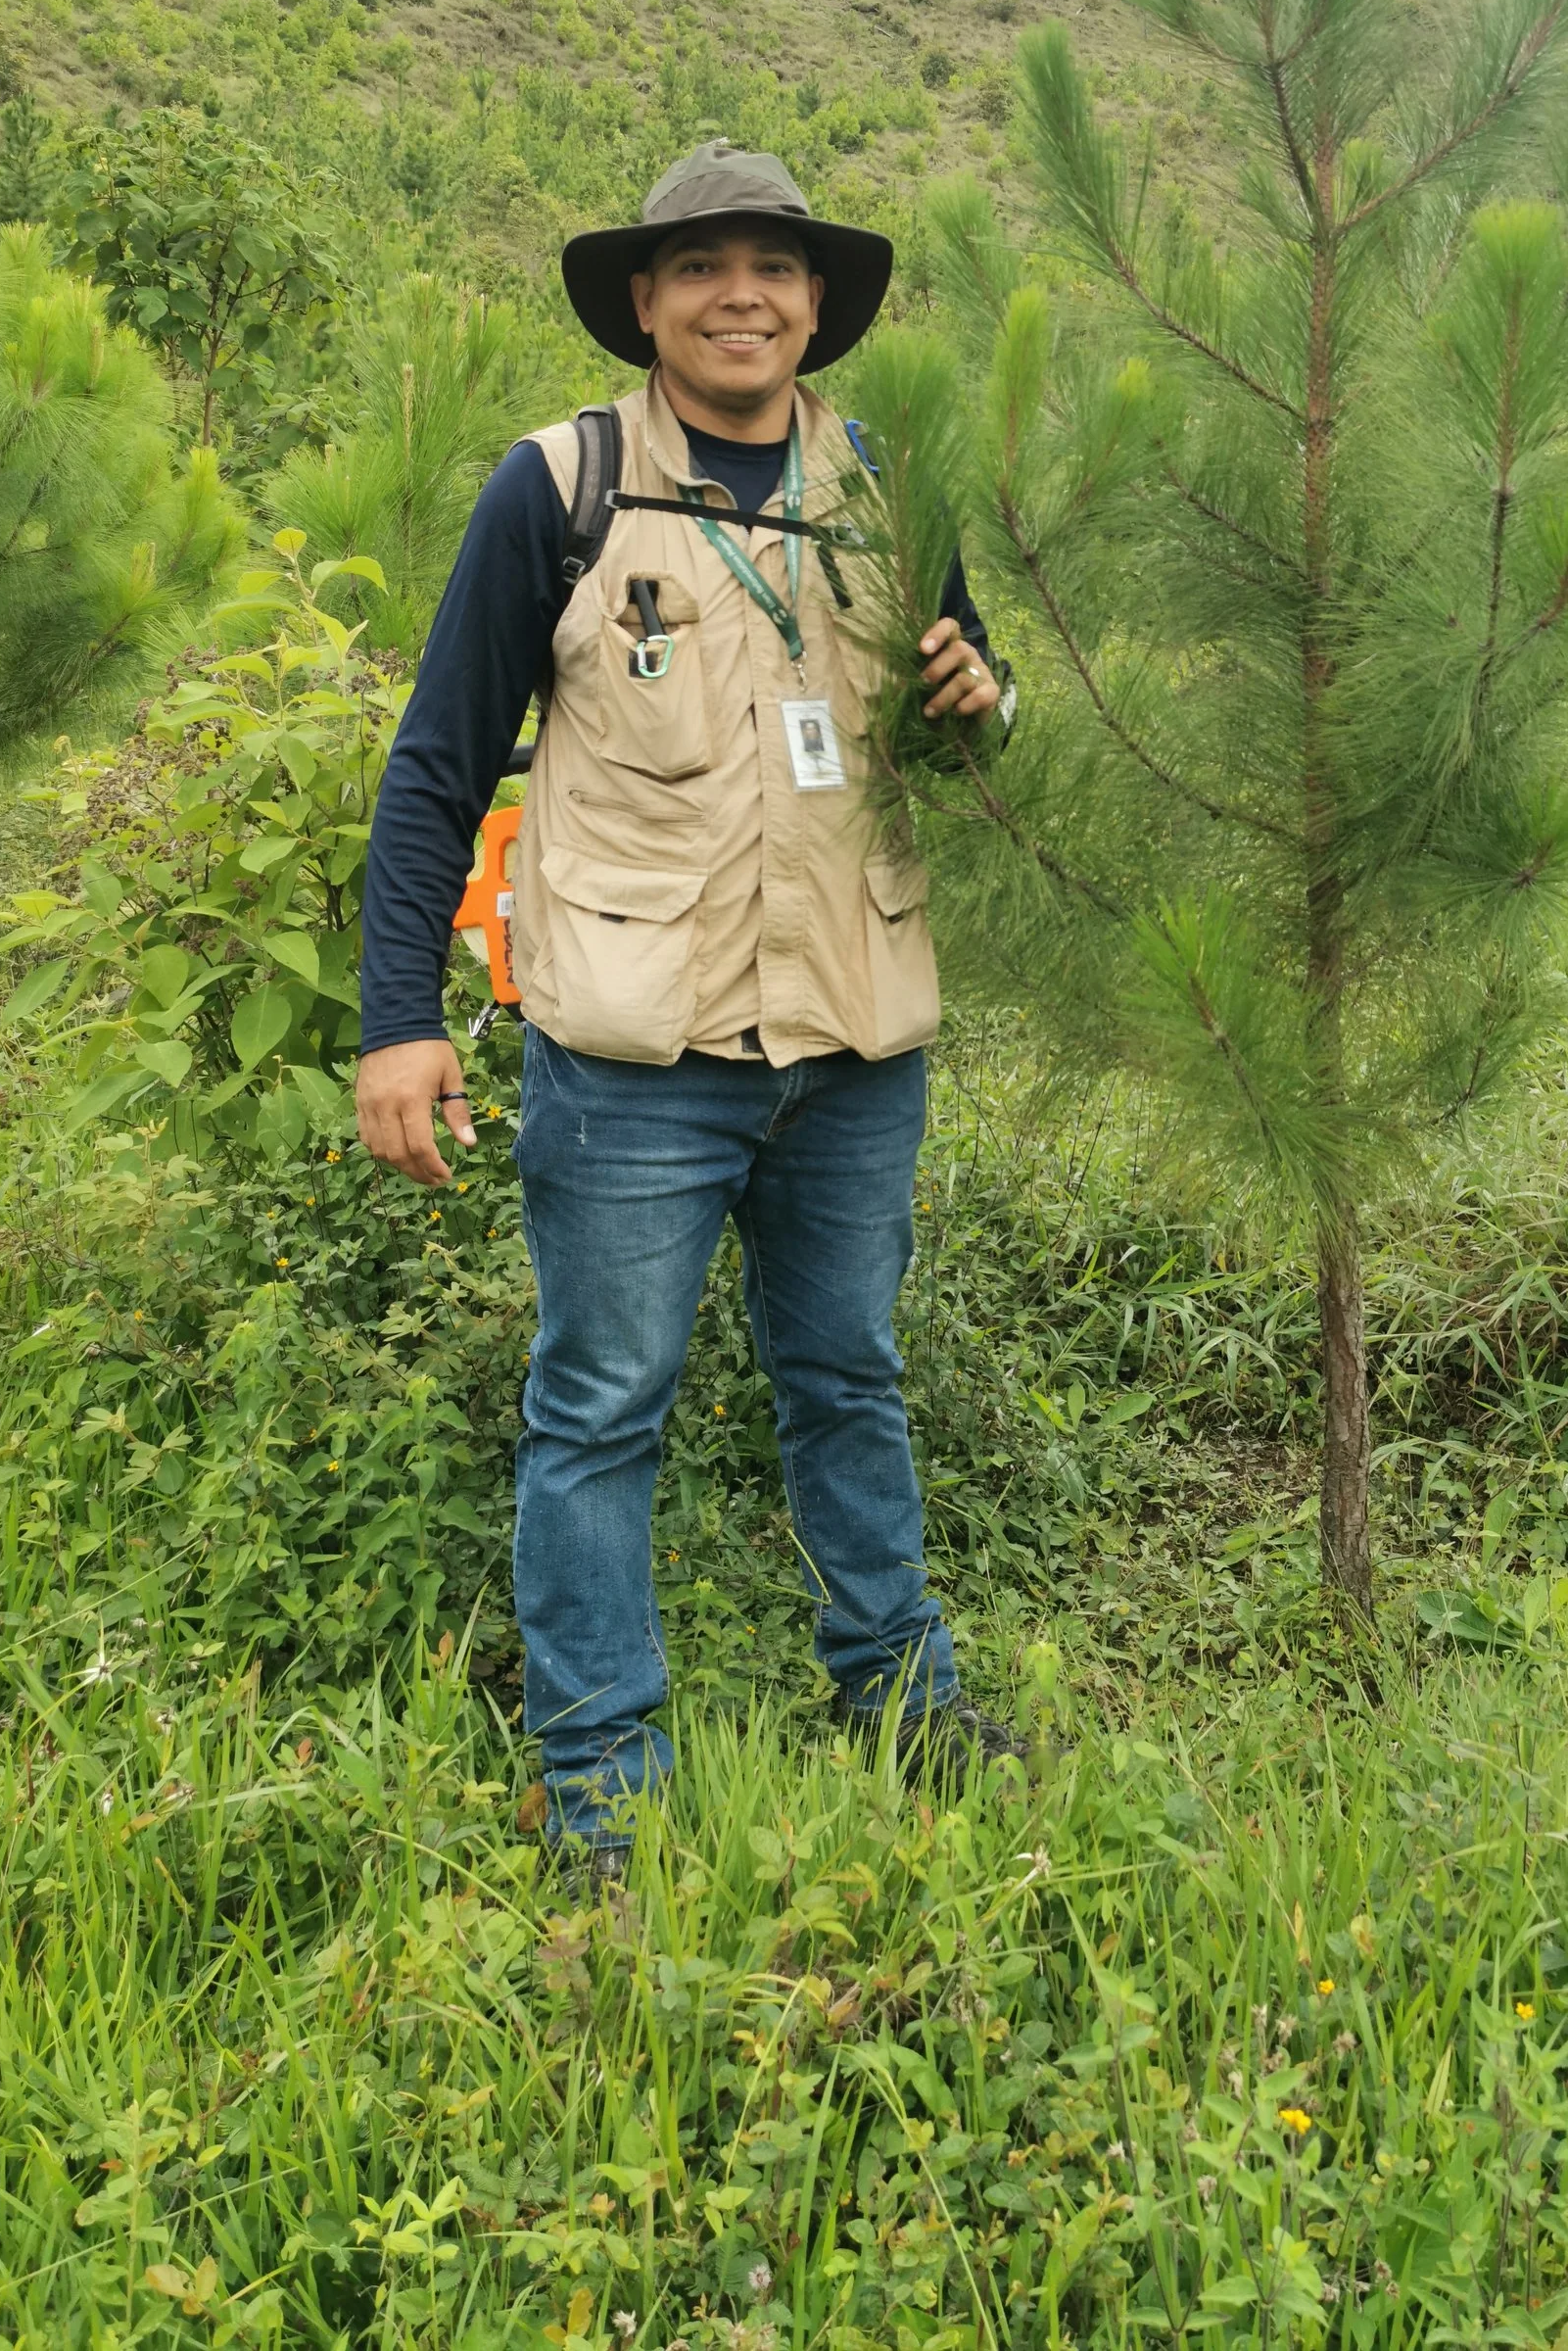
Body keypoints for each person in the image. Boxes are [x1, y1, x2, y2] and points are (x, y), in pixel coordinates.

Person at [355, 140, 1023, 1878]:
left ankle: (900, 1703)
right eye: (704, 266)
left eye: (777, 267)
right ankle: (600, 1782)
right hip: (632, 1052)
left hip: (855, 1041)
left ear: (819, 305)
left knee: (851, 1377)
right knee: (601, 1408)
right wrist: (395, 1019)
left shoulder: (885, 487)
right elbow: (438, 770)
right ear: (646, 303)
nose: (745, 294)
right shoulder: (562, 491)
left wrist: (985, 698)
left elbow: (961, 719)